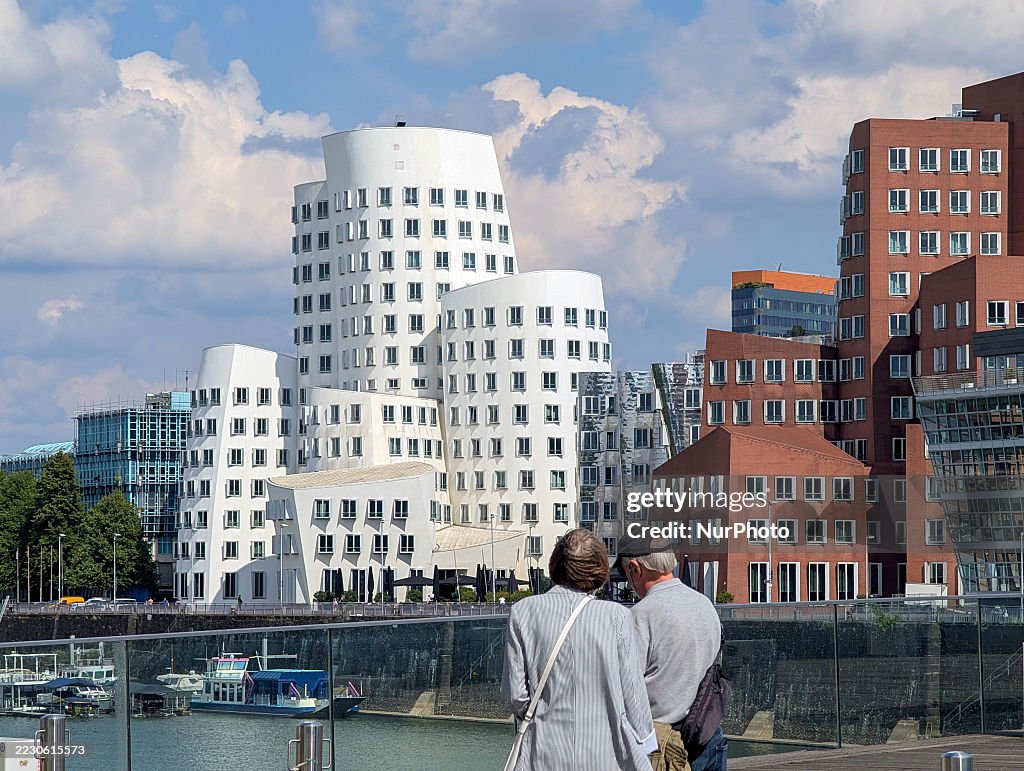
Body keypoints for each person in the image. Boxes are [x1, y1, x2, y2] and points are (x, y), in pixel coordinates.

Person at [501, 528, 656, 770]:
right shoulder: (616, 616)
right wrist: (646, 743)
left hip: (543, 752)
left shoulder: (523, 612)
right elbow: (633, 695)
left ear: (556, 564)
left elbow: (516, 696)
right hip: (603, 754)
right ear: (599, 569)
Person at [617, 535, 726, 771]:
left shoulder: (640, 615)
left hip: (665, 748)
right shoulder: (705, 604)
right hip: (709, 734)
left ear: (635, 569)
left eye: (626, 574)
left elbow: (626, 688)